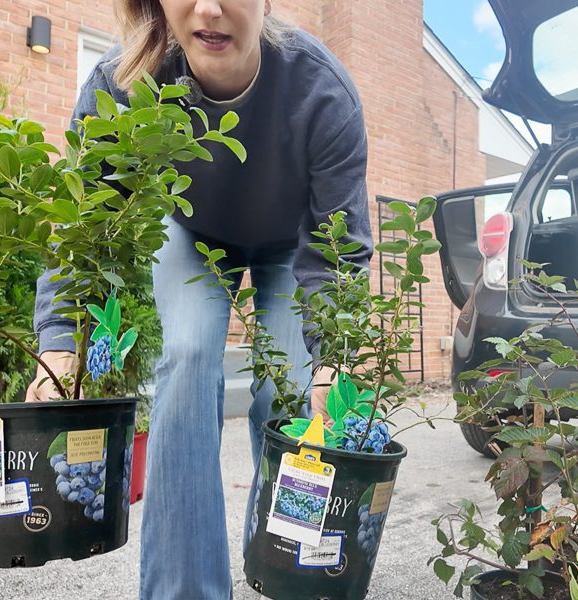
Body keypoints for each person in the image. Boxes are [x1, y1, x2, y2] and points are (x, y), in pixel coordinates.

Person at [26, 0, 372, 598]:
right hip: (191, 232)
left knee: (293, 388)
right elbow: (85, 226)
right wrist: (59, 342)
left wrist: (334, 359)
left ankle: (289, 574)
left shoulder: (321, 91)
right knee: (186, 357)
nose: (208, 9)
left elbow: (337, 247)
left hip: (294, 244)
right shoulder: (123, 83)